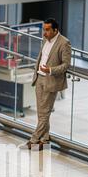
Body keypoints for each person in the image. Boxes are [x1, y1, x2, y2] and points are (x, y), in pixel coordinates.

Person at [20, 18, 71, 150]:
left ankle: (33, 140)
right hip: (39, 78)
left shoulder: (64, 43)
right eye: (44, 29)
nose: (44, 33)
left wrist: (50, 70)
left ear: (55, 30)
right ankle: (45, 140)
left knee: (44, 113)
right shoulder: (45, 40)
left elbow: (66, 65)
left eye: (47, 30)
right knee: (41, 113)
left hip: (51, 80)